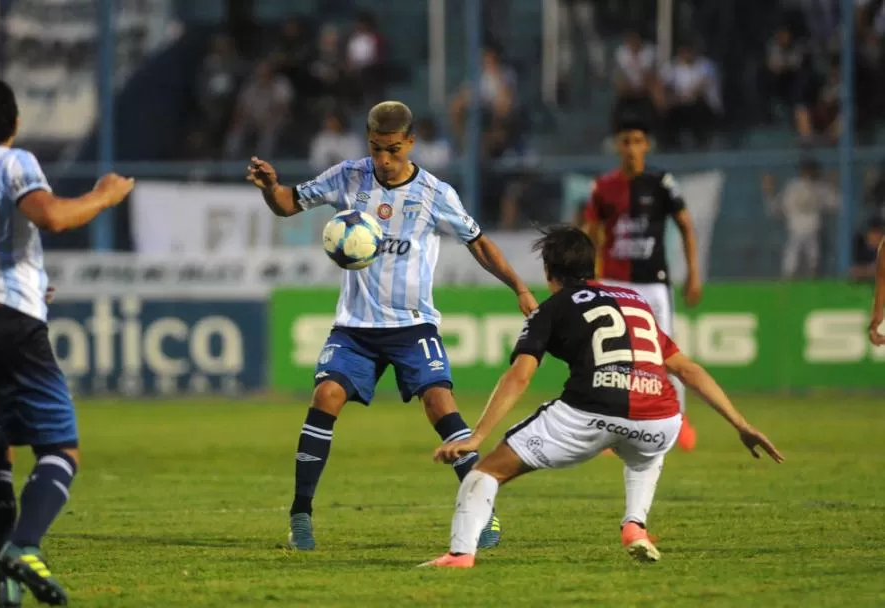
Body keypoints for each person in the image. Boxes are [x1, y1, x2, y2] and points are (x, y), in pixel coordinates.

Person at [245, 101, 538, 551]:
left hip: (412, 325)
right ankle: (300, 514)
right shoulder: (348, 175)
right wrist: (270, 188)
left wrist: (518, 285)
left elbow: (478, 243)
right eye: (377, 149)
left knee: (441, 405)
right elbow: (287, 205)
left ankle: (483, 510)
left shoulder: (435, 193)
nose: (384, 159)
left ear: (411, 143)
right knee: (325, 396)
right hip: (356, 327)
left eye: (394, 150)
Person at [420, 226, 783, 569]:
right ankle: (634, 524)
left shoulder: (553, 307)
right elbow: (686, 369)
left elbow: (520, 376)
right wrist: (741, 424)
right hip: (660, 418)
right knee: (645, 455)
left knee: (484, 474)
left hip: (589, 414)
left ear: (549, 271)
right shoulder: (634, 300)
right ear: (590, 266)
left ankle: (460, 554)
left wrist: (477, 437)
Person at [0, 76, 135, 607]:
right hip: (7, 323)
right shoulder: (13, 163)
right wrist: (104, 196)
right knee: (60, 448)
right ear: (13, 123)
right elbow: (52, 217)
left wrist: (31, 287)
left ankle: (5, 586)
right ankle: (25, 546)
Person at [581, 118, 702, 451]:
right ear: (618, 146)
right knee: (607, 356)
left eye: (637, 140)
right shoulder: (602, 187)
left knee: (665, 353)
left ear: (646, 145)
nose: (632, 148)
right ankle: (607, 423)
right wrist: (584, 278)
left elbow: (686, 227)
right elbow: (589, 234)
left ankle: (678, 420)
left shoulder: (662, 183)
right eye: (626, 141)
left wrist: (693, 273)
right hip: (612, 283)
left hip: (653, 283)